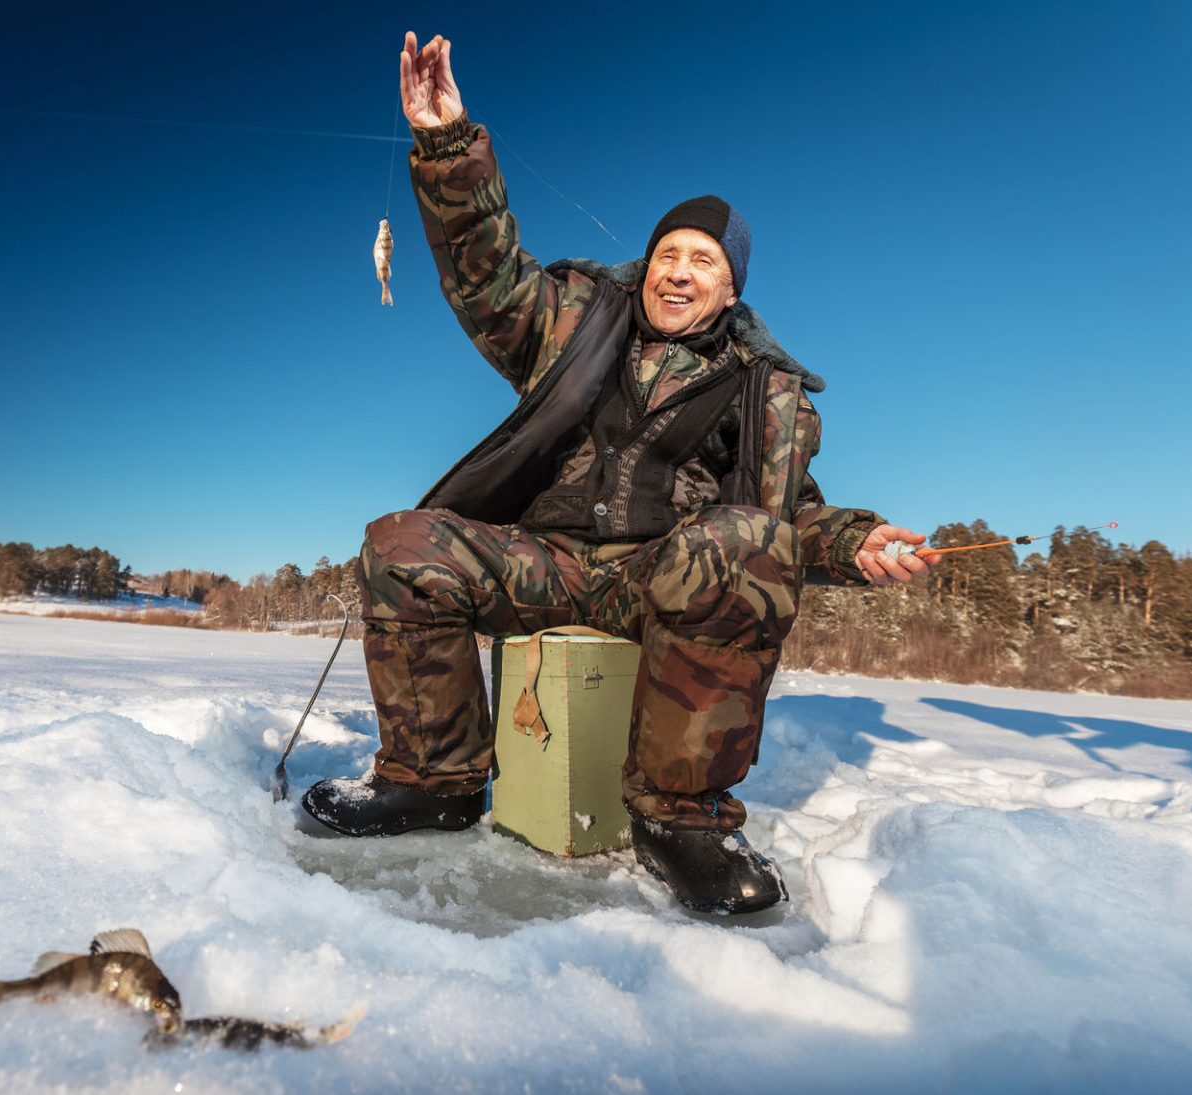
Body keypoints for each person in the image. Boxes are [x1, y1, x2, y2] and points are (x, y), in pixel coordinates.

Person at [302, 32, 939, 915]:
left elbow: (792, 518)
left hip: (657, 577)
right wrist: (449, 145)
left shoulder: (763, 390)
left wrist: (862, 542)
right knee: (404, 546)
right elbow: (486, 276)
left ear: (731, 287)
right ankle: (433, 780)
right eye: (670, 254)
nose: (680, 271)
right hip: (548, 560)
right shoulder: (573, 322)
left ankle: (682, 818)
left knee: (747, 543)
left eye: (703, 261)